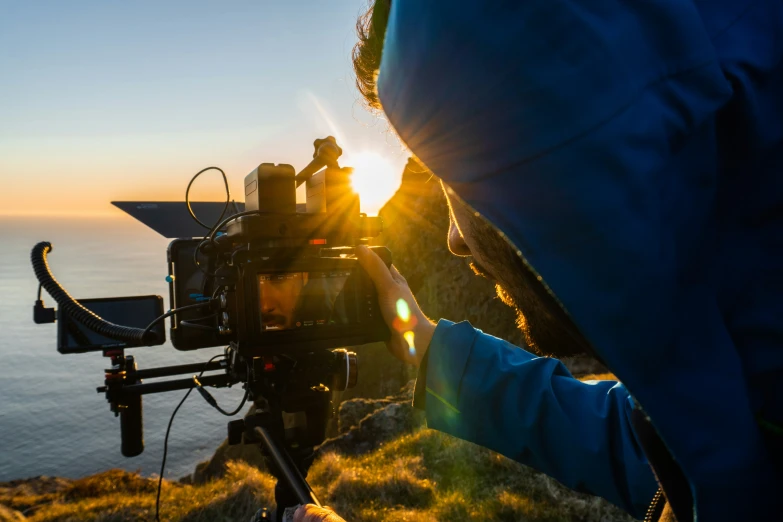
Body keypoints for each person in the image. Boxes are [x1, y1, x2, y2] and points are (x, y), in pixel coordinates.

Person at [297, 1, 783, 521]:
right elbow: (662, 445)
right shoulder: (746, 389)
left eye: (450, 178)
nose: (454, 238)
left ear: (557, 154)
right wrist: (425, 343)